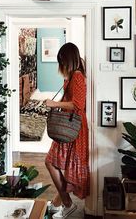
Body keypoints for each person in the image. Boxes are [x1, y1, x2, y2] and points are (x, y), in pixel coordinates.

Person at [45, 42, 90, 219]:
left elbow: (78, 104)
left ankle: (67, 204)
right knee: (57, 163)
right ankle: (60, 202)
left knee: (50, 162)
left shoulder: (77, 76)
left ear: (67, 59)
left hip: (73, 129)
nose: (60, 65)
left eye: (61, 60)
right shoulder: (73, 75)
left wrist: (54, 104)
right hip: (69, 127)